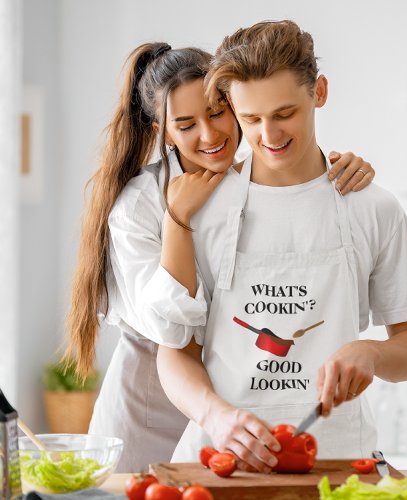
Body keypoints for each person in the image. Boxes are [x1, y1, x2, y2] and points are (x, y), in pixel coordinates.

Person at [64, 41, 375, 472]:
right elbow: (166, 329)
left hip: (233, 405)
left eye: (216, 112)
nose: (209, 136)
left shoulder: (255, 177)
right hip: (151, 404)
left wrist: (340, 169)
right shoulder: (140, 206)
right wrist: (177, 218)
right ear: (162, 131)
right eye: (186, 124)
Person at [156, 20, 407, 473]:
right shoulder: (202, 209)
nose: (269, 136)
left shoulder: (373, 208)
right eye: (250, 119)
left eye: (285, 113)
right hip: (221, 463)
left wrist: (373, 353)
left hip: (340, 461)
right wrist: (216, 416)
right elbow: (173, 351)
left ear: (319, 92)